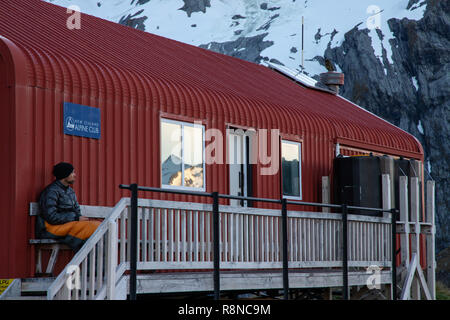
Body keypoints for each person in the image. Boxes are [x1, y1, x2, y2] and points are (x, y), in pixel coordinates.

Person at [36, 162, 101, 252]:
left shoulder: (70, 191)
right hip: (51, 228)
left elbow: (77, 210)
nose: (75, 175)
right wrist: (75, 218)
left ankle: (95, 264)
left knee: (99, 227)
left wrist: (79, 217)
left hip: (68, 225)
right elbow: (51, 217)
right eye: (72, 172)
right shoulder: (51, 191)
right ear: (64, 175)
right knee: (96, 227)